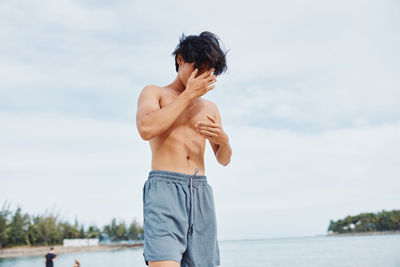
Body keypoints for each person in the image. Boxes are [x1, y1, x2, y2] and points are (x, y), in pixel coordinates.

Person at [136, 31, 232, 267]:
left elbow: (224, 159)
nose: (200, 76)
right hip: (165, 189)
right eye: (196, 68)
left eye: (207, 71)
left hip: (201, 193)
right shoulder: (155, 92)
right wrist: (189, 95)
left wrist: (225, 140)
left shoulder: (210, 107)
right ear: (180, 59)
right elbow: (146, 129)